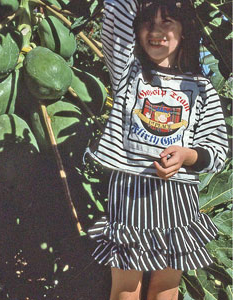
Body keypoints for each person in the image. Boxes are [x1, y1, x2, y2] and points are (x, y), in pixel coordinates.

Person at [86, 0, 229, 299]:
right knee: (126, 288)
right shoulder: (128, 75)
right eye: (148, 22)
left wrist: (188, 155)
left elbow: (216, 150)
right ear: (136, 31)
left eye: (167, 23)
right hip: (131, 192)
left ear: (184, 32)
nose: (156, 31)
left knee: (165, 287)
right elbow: (114, 15)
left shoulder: (203, 89)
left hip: (177, 198)